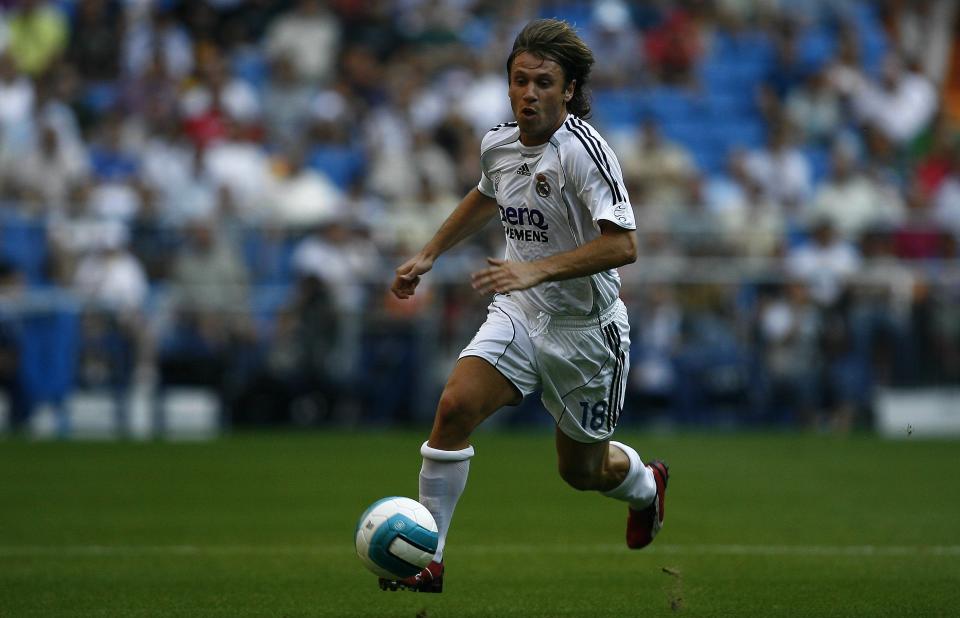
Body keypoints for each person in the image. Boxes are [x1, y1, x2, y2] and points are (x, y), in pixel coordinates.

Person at [383, 19, 669, 593]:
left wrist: (533, 268)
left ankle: (645, 485)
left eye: (543, 83)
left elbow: (625, 245)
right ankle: (429, 559)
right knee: (454, 409)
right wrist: (429, 253)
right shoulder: (499, 143)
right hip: (519, 312)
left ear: (568, 91)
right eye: (519, 81)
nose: (529, 93)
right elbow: (487, 194)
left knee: (581, 472)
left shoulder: (585, 153)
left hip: (587, 334)